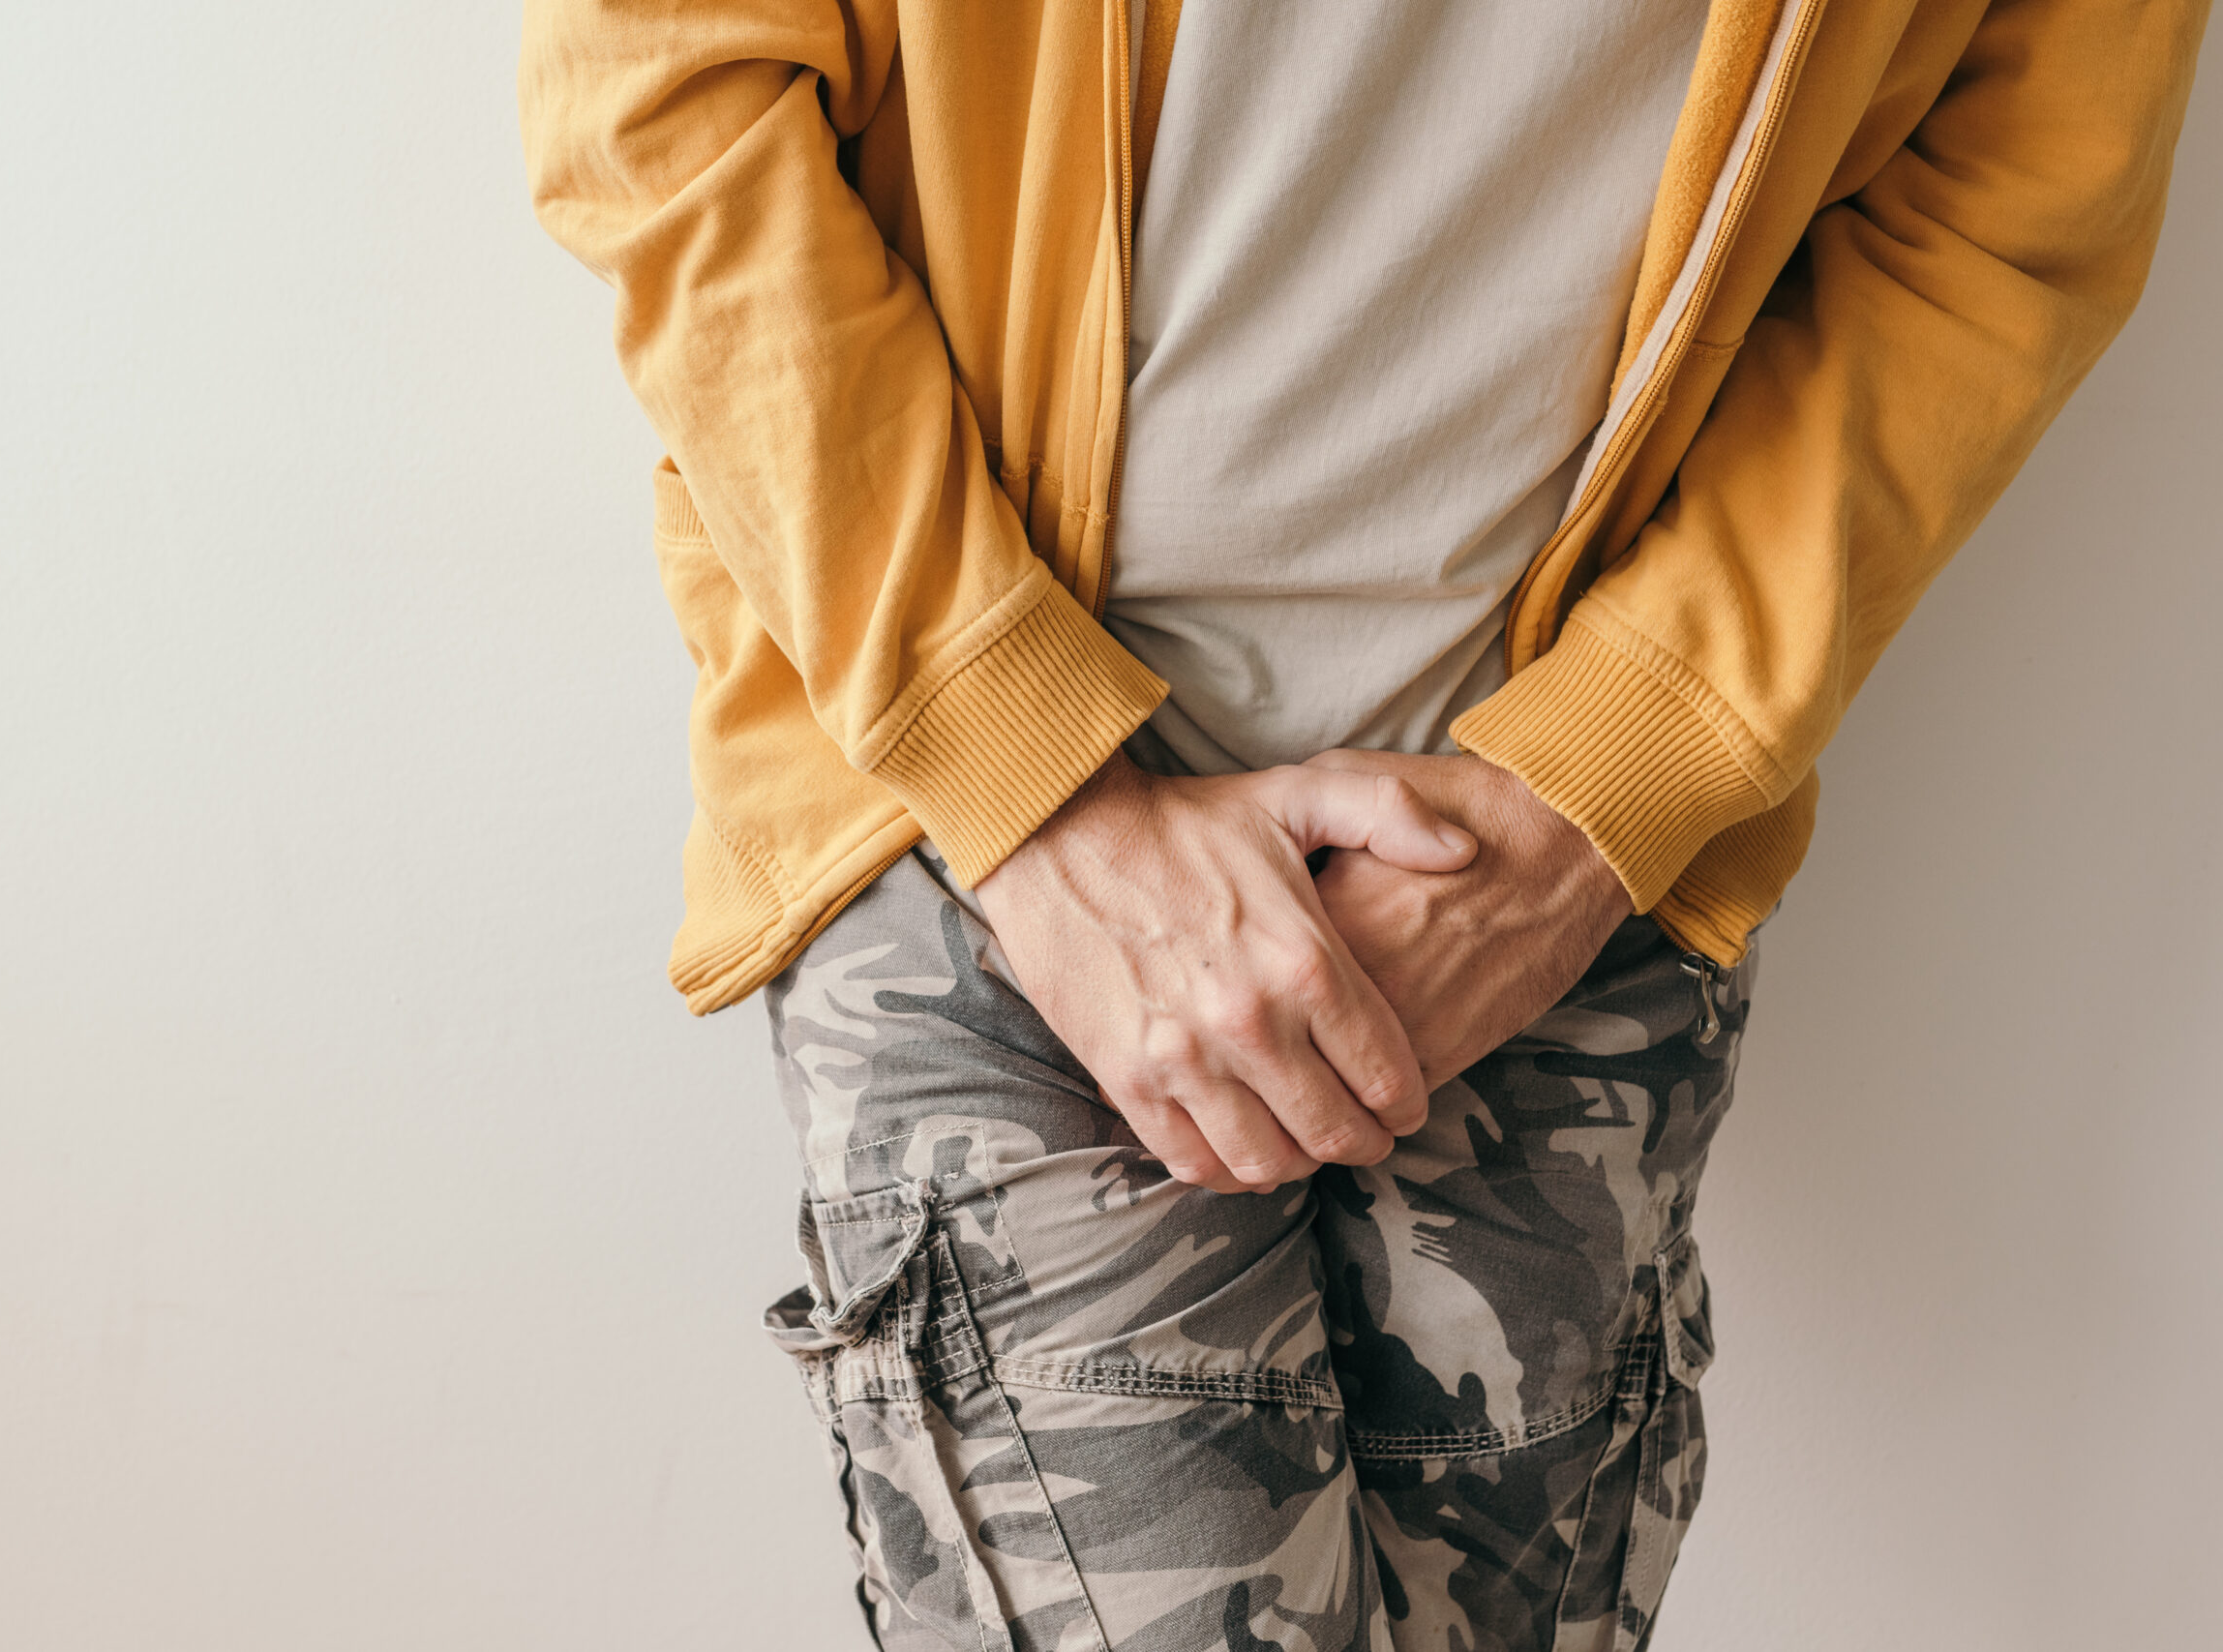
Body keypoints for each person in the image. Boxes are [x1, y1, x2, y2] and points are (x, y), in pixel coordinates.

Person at [521, 1, 2206, 1645]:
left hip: (1553, 871)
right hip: (980, 844)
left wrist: (1604, 778)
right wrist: (1024, 772)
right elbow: (654, 81)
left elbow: (2016, 201)